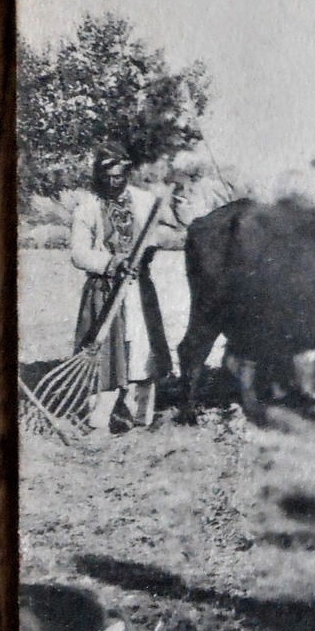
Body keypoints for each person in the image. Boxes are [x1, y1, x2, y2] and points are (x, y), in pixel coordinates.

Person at [69, 142, 183, 435]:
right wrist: (111, 262)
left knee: (142, 350)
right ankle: (99, 420)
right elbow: (79, 254)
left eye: (119, 176)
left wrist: (179, 201)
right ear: (98, 176)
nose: (113, 182)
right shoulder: (88, 207)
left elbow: (175, 225)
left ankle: (140, 417)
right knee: (105, 353)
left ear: (127, 174)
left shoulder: (145, 201)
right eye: (107, 177)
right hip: (104, 291)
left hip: (139, 289)